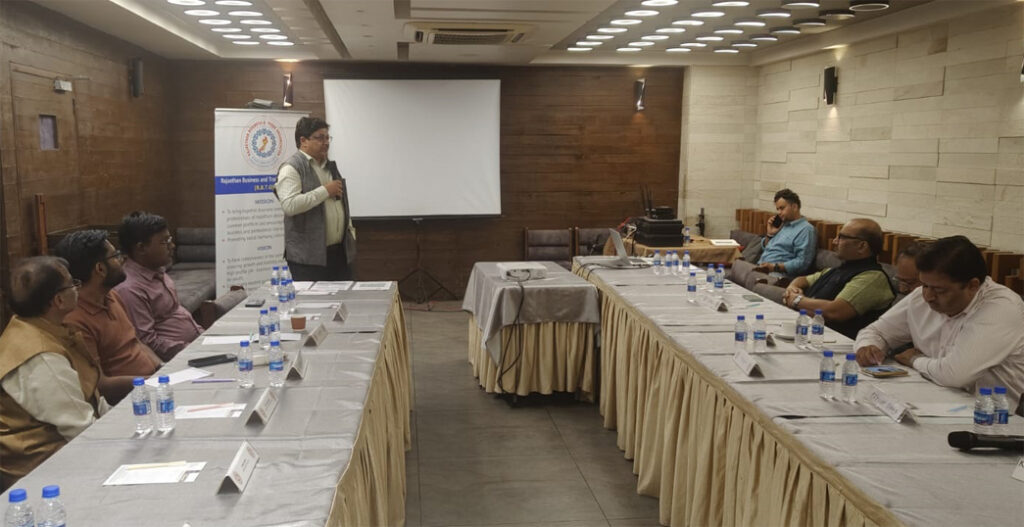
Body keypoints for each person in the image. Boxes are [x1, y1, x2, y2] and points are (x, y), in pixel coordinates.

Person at [855, 236, 1024, 403]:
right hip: (932, 398)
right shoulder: (922, 296)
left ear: (972, 286)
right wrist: (869, 347)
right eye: (924, 285)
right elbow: (876, 332)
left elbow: (955, 375)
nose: (928, 296)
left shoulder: (1001, 308)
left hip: (990, 412)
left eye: (940, 290)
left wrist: (913, 360)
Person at [0, 257, 108, 490]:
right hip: (42, 469)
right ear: (58, 300)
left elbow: (90, 397)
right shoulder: (40, 356)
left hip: (62, 450)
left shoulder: (32, 326)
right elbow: (80, 428)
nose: (77, 288)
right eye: (72, 284)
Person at [55, 230, 162, 404]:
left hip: (153, 385)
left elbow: (135, 341)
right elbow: (101, 385)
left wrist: (162, 368)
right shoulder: (75, 320)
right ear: (100, 268)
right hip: (130, 400)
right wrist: (151, 383)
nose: (122, 260)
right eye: (115, 256)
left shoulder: (111, 295)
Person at [782, 219, 895, 339]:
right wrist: (792, 288)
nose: (834, 241)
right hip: (809, 334)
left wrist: (796, 300)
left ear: (862, 246)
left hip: (838, 343)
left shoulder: (872, 277)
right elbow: (802, 280)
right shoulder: (839, 269)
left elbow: (835, 312)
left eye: (841, 237)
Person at [275, 116, 357, 281]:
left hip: (339, 254)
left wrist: (351, 232)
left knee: (344, 296)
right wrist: (325, 191)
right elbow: (290, 205)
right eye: (320, 138)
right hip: (308, 259)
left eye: (327, 138)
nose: (326, 142)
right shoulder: (291, 168)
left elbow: (339, 204)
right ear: (303, 141)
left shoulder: (330, 166)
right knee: (313, 299)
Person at [114, 211, 202, 361]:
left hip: (196, 344)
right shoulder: (130, 289)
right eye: (164, 242)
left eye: (170, 239)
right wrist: (193, 350)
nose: (172, 246)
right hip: (178, 359)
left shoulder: (156, 269)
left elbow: (178, 313)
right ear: (141, 248)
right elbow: (148, 342)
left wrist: (205, 336)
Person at [753, 188, 816, 278]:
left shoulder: (806, 230)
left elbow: (802, 262)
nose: (779, 212)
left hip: (779, 273)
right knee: (738, 267)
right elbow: (767, 248)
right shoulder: (782, 225)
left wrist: (774, 267)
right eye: (777, 209)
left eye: (782, 208)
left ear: (794, 207)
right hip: (762, 267)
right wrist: (770, 234)